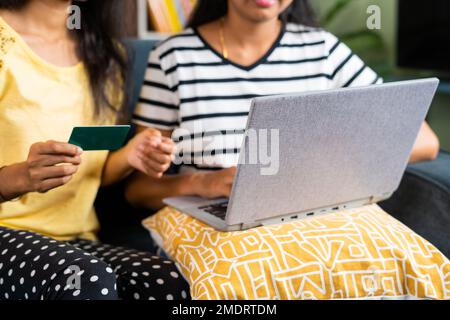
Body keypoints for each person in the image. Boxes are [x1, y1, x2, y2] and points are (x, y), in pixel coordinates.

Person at [126, 0, 440, 209]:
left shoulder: (322, 49)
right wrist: (204, 183)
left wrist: (327, 159)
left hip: (312, 208)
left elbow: (425, 143)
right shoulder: (173, 56)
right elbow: (138, 190)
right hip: (213, 215)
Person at [0, 0, 189, 300]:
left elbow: (95, 172)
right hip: (7, 233)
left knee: (167, 279)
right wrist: (20, 176)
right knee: (87, 277)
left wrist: (130, 156)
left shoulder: (104, 55)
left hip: (74, 239)